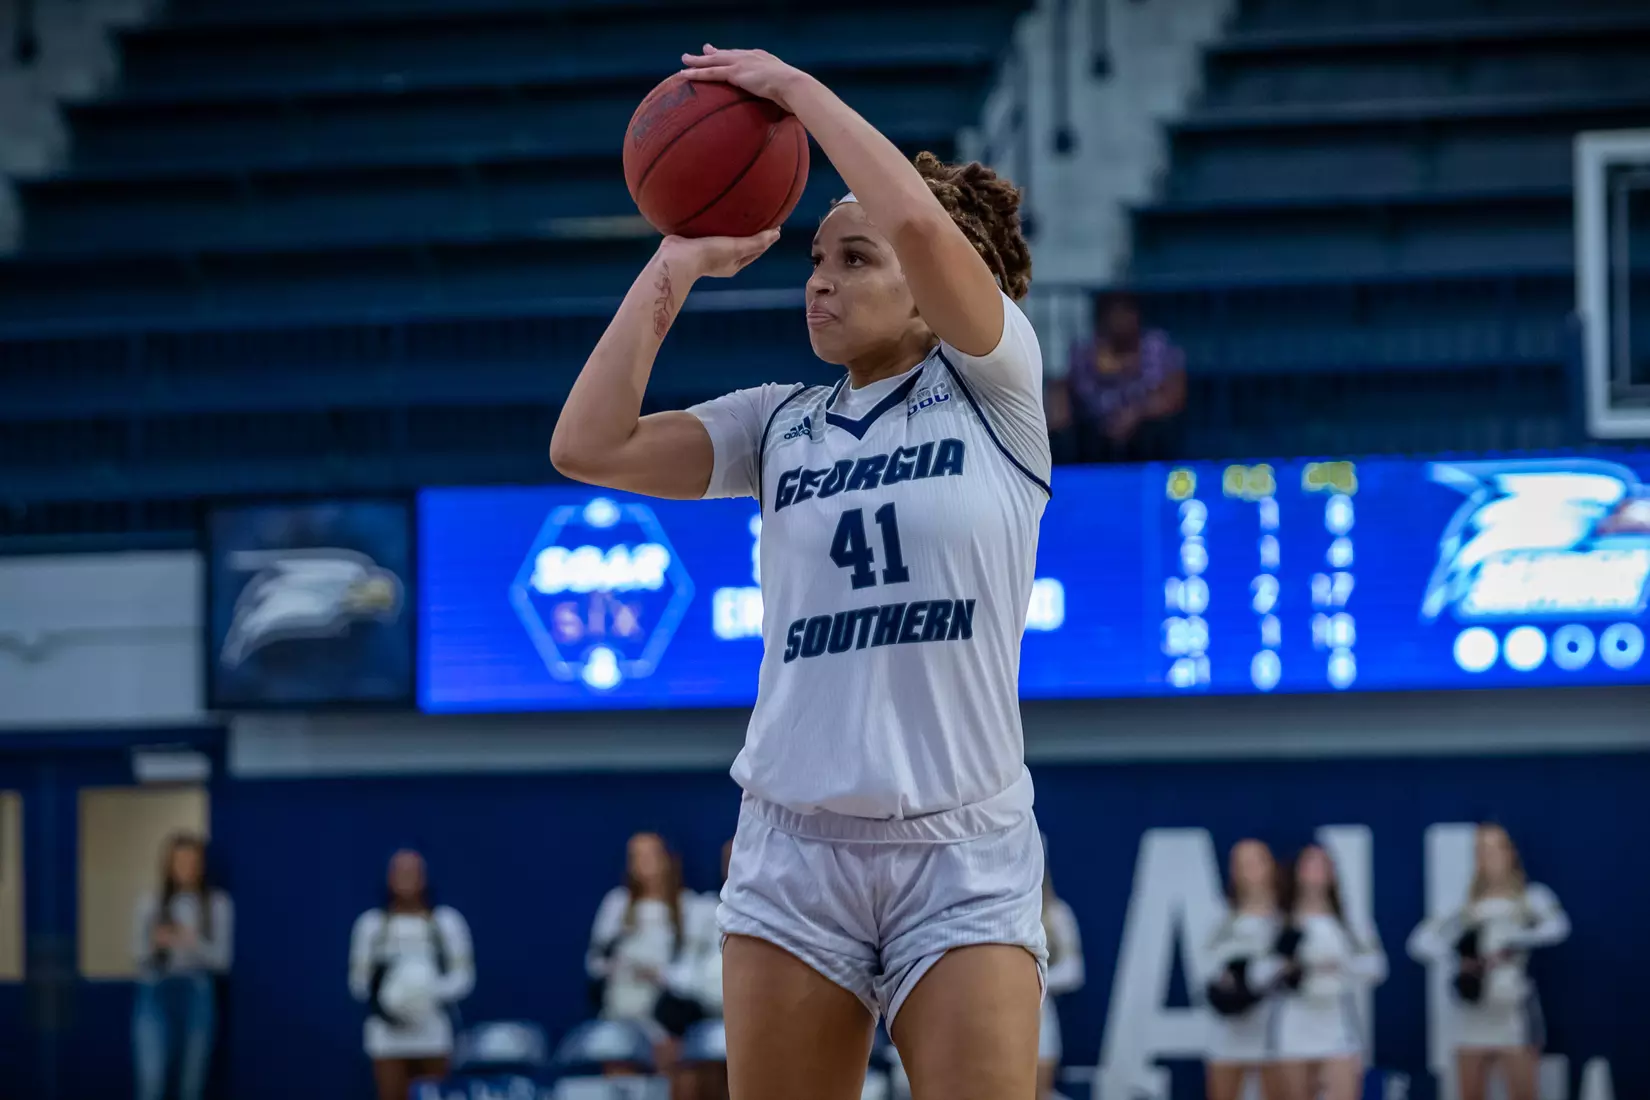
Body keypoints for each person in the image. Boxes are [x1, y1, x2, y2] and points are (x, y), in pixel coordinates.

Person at [550, 43, 1051, 1100]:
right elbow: (586, 445)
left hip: (959, 847)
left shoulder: (998, 392)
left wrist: (794, 91)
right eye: (816, 261)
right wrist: (676, 262)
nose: (820, 281)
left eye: (854, 258)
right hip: (792, 847)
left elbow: (917, 220)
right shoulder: (777, 422)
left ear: (932, 289)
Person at [1405, 823, 1569, 1100]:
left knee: (1524, 1092)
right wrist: (1460, 958)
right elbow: (1419, 943)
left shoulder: (1532, 897)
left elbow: (1558, 928)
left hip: (1513, 1008)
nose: (1488, 856)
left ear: (1510, 853)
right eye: (1481, 849)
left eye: (1495, 848)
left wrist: (1513, 941)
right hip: (1472, 1010)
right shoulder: (1463, 903)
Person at [348, 849, 475, 1100]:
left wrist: (424, 995)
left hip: (433, 1034)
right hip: (387, 1036)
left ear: (424, 878)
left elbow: (464, 977)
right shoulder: (370, 925)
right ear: (389, 878)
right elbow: (359, 983)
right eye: (400, 872)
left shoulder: (447, 922)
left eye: (412, 872)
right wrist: (392, 1001)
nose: (406, 879)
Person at [1269, 845, 1386, 1100]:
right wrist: (1289, 968)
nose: (1316, 872)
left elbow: (1377, 967)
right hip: (1294, 1024)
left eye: (1323, 865)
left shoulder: (1349, 920)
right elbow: (1260, 972)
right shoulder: (1281, 919)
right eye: (1309, 864)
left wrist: (1341, 965)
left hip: (1336, 1023)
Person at [586, 832, 702, 1083]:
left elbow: (694, 972)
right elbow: (595, 962)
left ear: (667, 859)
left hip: (665, 1019)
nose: (643, 863)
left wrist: (658, 974)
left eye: (650, 855)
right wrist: (618, 968)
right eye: (635, 857)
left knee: (669, 1079)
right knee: (619, 1069)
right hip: (620, 1013)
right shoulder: (616, 903)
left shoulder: (689, 906)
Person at [132, 833, 233, 1100]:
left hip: (197, 992)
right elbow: (137, 956)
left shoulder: (217, 904)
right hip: (156, 990)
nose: (186, 867)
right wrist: (155, 945)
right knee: (151, 1082)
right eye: (180, 860)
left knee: (192, 1084)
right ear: (168, 864)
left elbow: (223, 961)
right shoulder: (150, 904)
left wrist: (192, 941)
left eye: (193, 860)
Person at [1052, 291, 1185, 463]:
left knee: (1155, 432)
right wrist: (1060, 413)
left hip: (1142, 424)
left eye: (1126, 312)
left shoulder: (1156, 346)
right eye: (1114, 313)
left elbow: (1174, 393)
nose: (1121, 320)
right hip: (1095, 425)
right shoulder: (1084, 352)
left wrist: (1135, 414)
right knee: (1069, 439)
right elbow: (1063, 386)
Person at [1203, 839, 1283, 1100]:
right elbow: (1206, 964)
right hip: (1229, 1027)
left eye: (1255, 861)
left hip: (1274, 1028)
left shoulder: (1286, 917)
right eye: (1239, 863)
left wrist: (1257, 977)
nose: (1247, 870)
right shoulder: (1220, 916)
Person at [1038, 845, 1084, 1100]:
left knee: (1038, 1093)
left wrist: (1029, 980)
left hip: (1042, 1018)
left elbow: (1073, 972)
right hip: (995, 1017)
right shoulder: (995, 915)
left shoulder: (1057, 915)